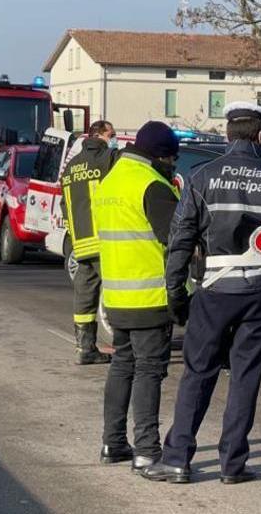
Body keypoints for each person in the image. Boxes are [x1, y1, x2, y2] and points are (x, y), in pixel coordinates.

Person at [143, 102, 261, 485]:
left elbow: (180, 238)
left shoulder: (203, 177)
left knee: (198, 373)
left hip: (215, 290)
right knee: (246, 376)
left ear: (227, 136)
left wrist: (175, 292)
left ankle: (177, 460)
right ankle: (233, 465)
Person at [94, 121, 181, 472]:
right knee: (148, 372)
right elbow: (177, 242)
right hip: (149, 297)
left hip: (116, 295)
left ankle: (112, 443)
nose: (173, 165)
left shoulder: (111, 181)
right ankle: (147, 450)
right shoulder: (153, 185)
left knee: (122, 367)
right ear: (160, 155)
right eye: (172, 159)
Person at [61, 120, 119, 365]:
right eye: (112, 134)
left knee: (85, 295)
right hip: (105, 239)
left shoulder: (71, 166)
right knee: (118, 293)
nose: (114, 138)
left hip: (81, 242)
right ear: (99, 135)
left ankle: (85, 348)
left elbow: (65, 204)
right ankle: (127, 345)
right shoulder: (108, 158)